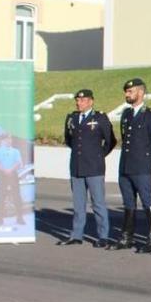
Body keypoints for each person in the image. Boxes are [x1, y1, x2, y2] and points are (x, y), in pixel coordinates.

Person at [60, 89, 116, 247]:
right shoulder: (72, 118)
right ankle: (76, 235)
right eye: (77, 100)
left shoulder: (99, 118)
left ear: (91, 101)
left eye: (83, 100)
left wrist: (99, 155)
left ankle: (103, 236)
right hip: (77, 167)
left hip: (94, 167)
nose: (79, 103)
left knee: (98, 204)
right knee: (78, 204)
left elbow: (111, 140)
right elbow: (69, 139)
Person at [115, 78, 151, 252]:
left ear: (141, 92)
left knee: (147, 202)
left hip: (142, 167)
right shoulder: (126, 114)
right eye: (126, 92)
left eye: (130, 91)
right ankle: (126, 237)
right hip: (126, 166)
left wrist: (149, 162)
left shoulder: (150, 115)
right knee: (128, 203)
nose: (127, 94)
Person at [0, 135, 25, 227]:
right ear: (3, 141)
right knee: (1, 197)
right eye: (6, 139)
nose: (8, 141)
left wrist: (10, 170)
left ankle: (20, 218)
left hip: (13, 174)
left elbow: (19, 162)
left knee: (17, 197)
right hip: (2, 175)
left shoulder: (15, 151)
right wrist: (5, 170)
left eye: (10, 139)